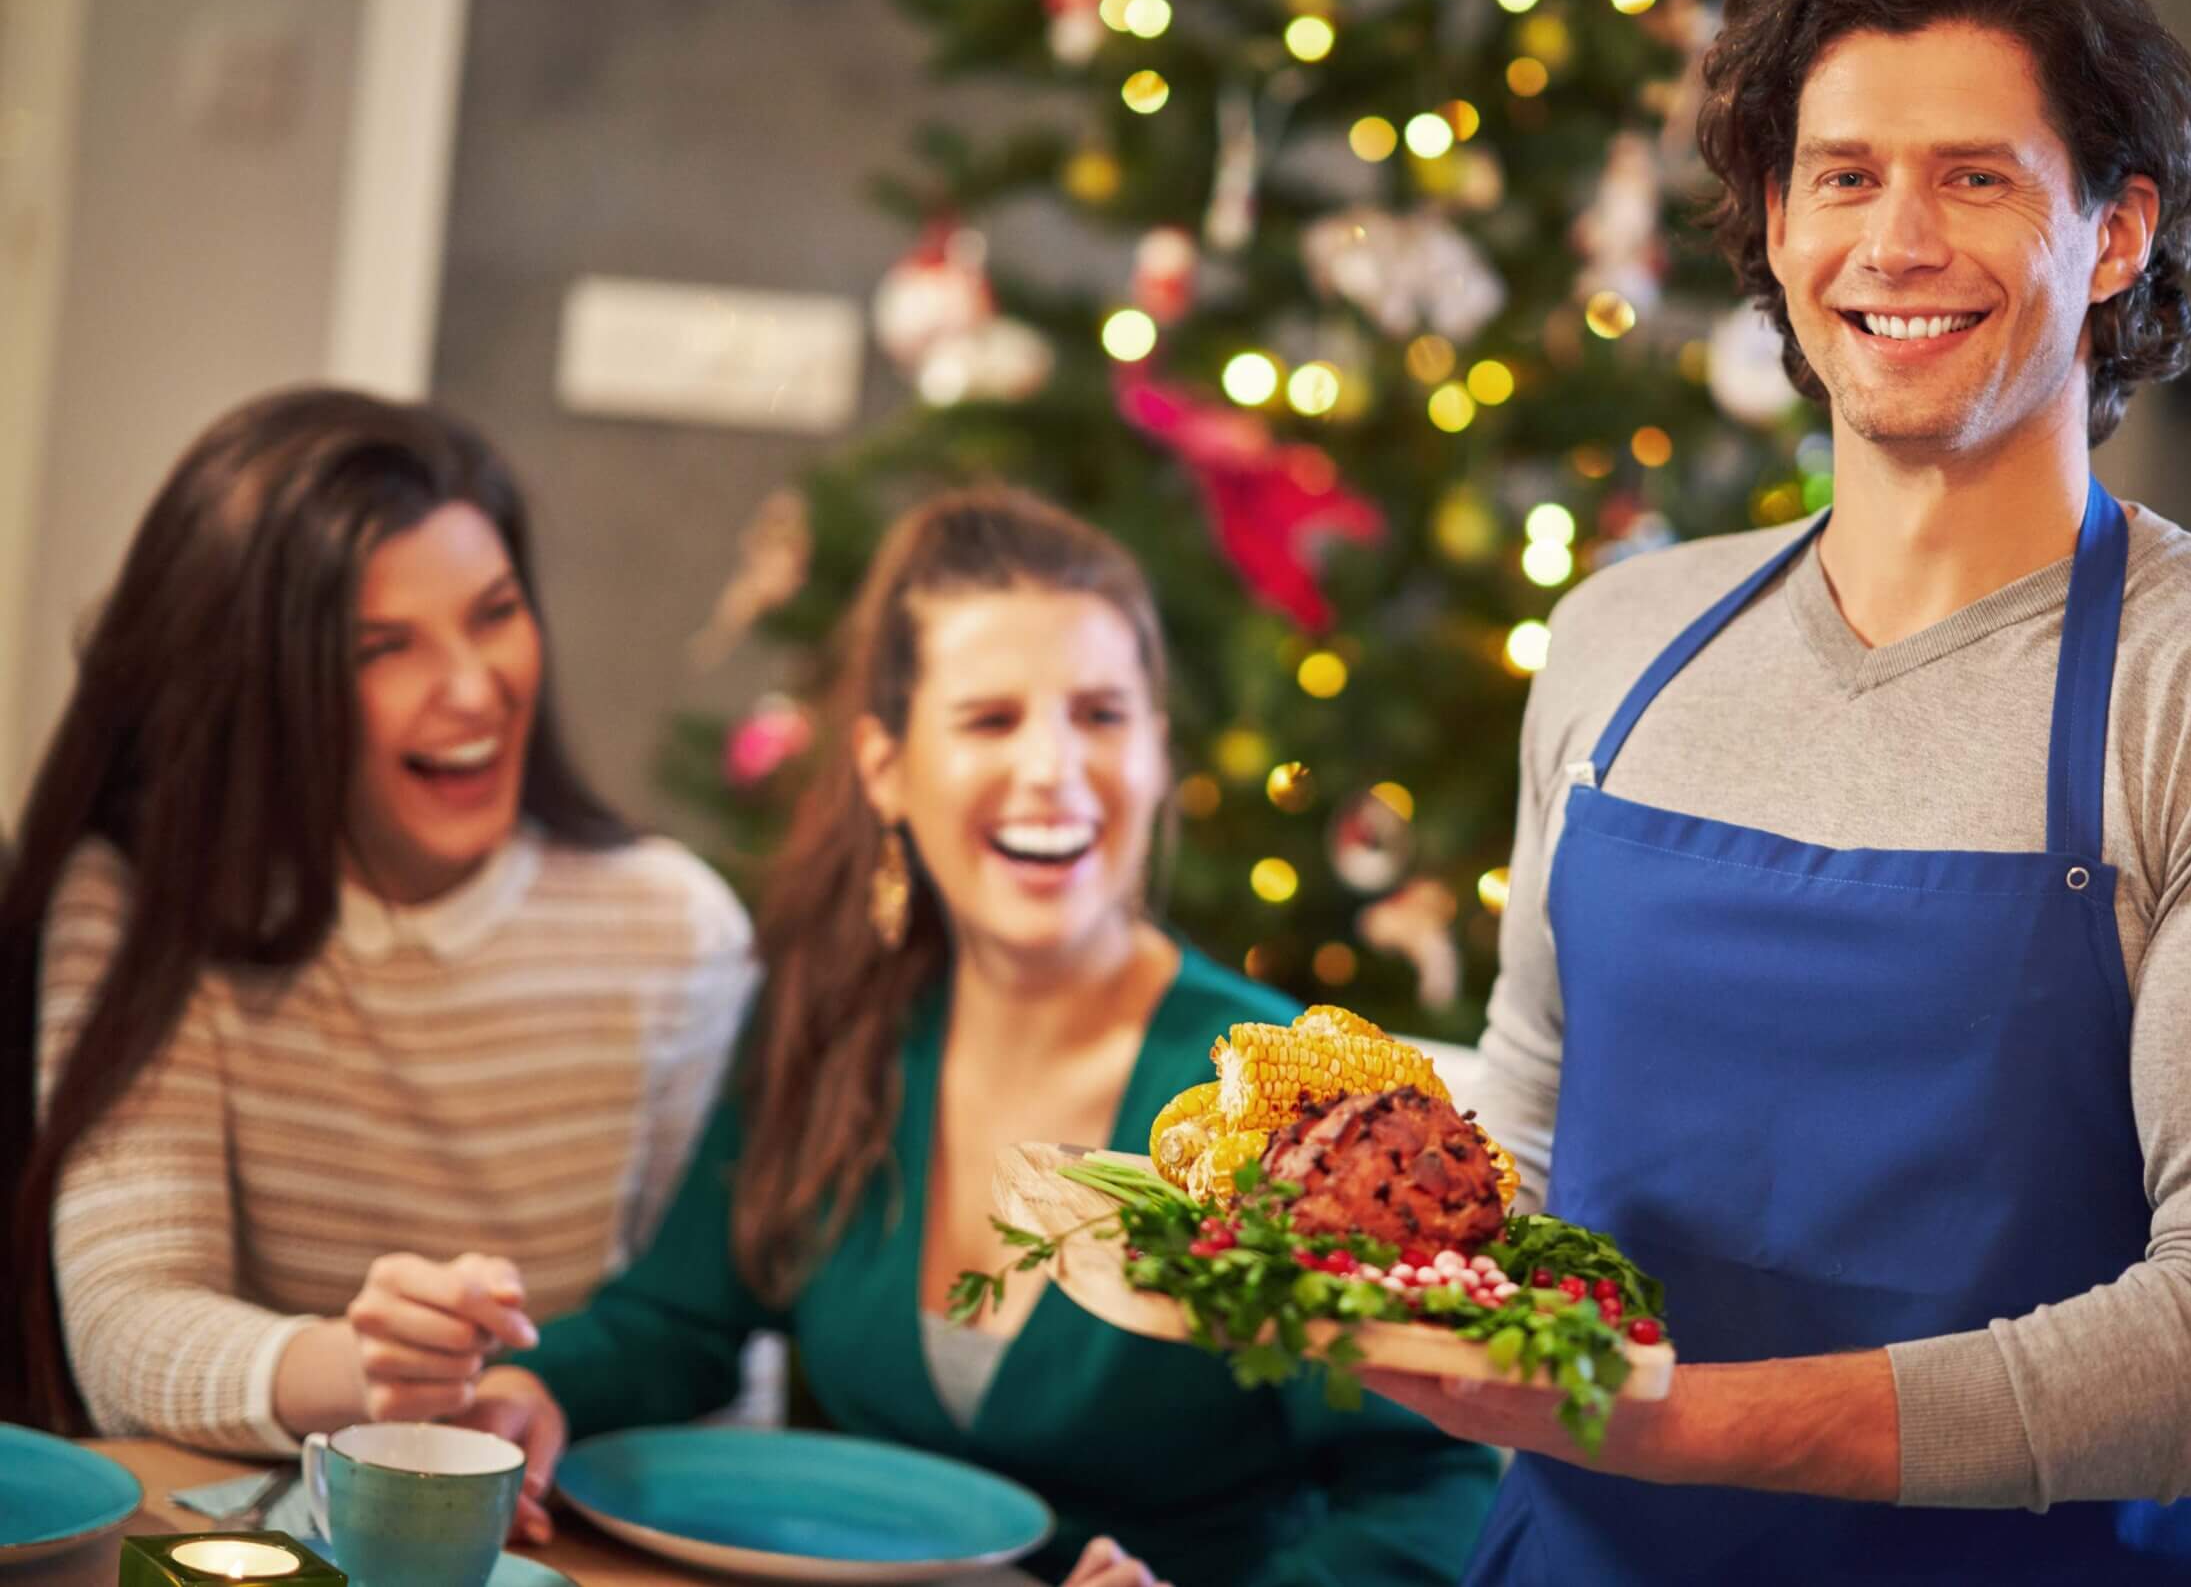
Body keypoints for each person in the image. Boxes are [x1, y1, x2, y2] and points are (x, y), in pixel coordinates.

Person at [1358, 0, 2191, 1584]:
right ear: (1778, 222)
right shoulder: (1620, 641)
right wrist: (1353, 1266)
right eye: (1843, 173)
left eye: (1977, 175)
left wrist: (1676, 1423)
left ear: (2114, 234)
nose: (1895, 241)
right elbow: (1531, 1113)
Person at [364, 489, 1498, 1585]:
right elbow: (682, 1321)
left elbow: (1426, 1489)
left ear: (1156, 755)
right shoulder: (831, 1021)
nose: (1052, 767)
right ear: (885, 765)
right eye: (990, 718)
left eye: (1100, 715)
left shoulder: (1275, 1097)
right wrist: (539, 1390)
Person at [0, 387, 756, 1454]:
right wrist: (362, 1369)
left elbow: (715, 1359)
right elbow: (128, 1330)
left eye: (495, 613)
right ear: (261, 683)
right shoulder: (145, 900)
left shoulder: (678, 931)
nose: (472, 687)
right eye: (382, 646)